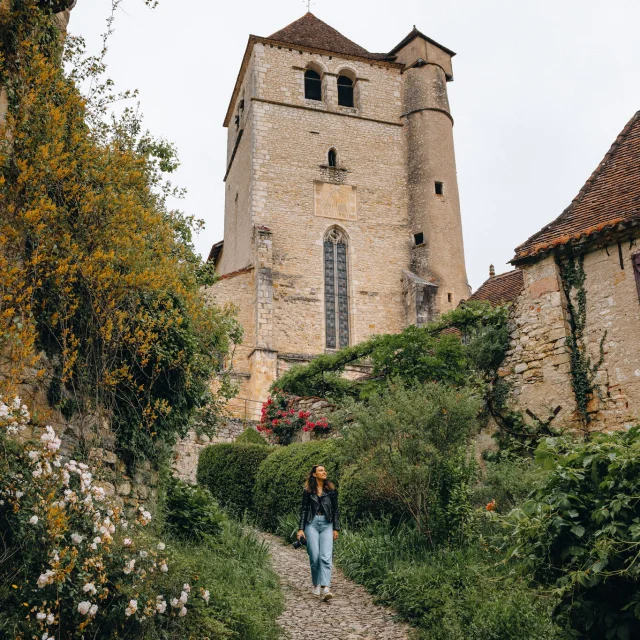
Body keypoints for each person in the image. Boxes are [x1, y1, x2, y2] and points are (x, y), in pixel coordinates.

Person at [297, 464, 340, 601]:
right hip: (312, 524)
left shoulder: (331, 491)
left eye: (324, 470)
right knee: (314, 556)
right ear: (314, 474)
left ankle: (325, 587)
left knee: (325, 556)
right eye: (321, 470)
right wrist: (301, 529)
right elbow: (304, 510)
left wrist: (335, 528)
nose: (324, 472)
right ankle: (316, 584)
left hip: (327, 524)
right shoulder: (308, 491)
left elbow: (335, 511)